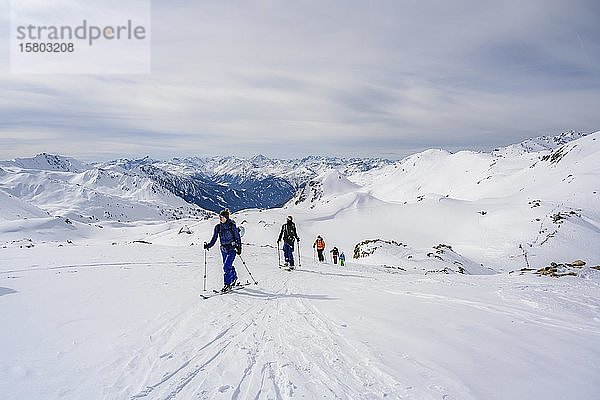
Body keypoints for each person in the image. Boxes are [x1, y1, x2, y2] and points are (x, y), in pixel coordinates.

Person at [204, 209, 242, 292]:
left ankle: (227, 284)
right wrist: (208, 245)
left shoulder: (231, 226)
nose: (220, 219)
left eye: (222, 217)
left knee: (226, 267)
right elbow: (214, 238)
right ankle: (234, 278)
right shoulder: (218, 227)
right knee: (228, 266)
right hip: (223, 249)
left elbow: (237, 237)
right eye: (220, 217)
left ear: (226, 217)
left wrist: (239, 248)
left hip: (232, 249)